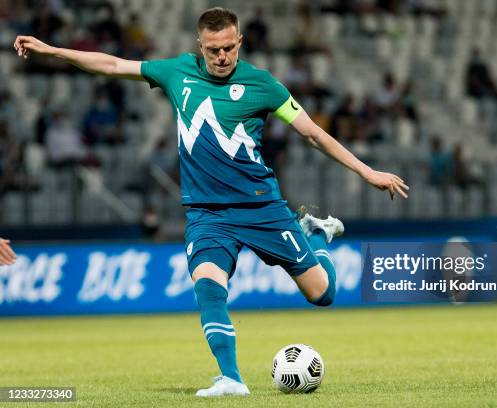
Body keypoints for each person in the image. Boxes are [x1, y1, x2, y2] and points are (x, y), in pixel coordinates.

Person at [14, 7, 409, 397]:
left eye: (228, 48)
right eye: (213, 49)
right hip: (207, 214)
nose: (221, 57)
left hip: (261, 208)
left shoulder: (264, 84)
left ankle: (317, 236)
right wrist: (52, 50)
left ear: (240, 42)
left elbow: (313, 134)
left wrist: (367, 172)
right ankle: (231, 379)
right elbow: (113, 65)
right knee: (207, 283)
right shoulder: (177, 72)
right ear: (199, 45)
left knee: (323, 295)